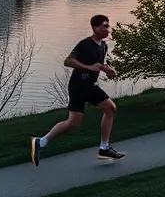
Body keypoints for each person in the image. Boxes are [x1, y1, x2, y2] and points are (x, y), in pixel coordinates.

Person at [31, 14, 125, 165]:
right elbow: (68, 61)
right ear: (95, 28)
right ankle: (40, 142)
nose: (107, 29)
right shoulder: (85, 44)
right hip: (78, 86)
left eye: (108, 26)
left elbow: (97, 64)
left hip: (91, 86)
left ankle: (104, 148)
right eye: (104, 26)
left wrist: (108, 70)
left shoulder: (103, 45)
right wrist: (88, 67)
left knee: (110, 108)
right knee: (73, 123)